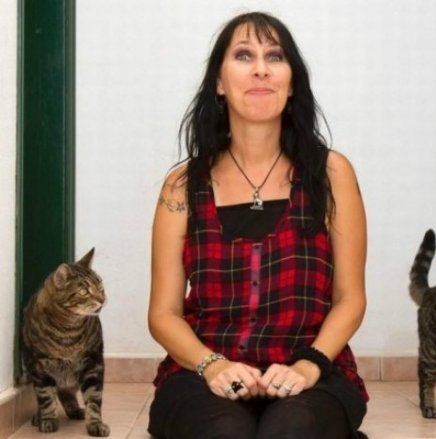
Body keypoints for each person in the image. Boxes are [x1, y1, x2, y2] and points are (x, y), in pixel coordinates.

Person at [147, 11, 369, 439]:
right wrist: (212, 366)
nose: (261, 69)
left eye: (275, 57)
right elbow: (163, 314)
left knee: (289, 430)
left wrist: (309, 365)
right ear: (219, 82)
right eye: (244, 55)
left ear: (292, 83)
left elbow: (350, 298)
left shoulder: (332, 174)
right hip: (204, 372)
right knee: (226, 433)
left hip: (311, 370)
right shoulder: (182, 185)